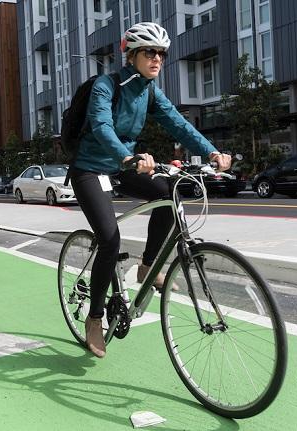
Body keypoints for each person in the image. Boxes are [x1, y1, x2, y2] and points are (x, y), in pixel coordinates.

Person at [68, 22, 231, 358]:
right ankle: (95, 319)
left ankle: (147, 265)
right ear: (132, 55)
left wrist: (212, 151)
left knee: (169, 191)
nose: (157, 59)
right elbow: (101, 126)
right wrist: (128, 156)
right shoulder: (106, 85)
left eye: (161, 53)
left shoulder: (150, 91)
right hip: (91, 168)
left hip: (121, 165)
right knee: (110, 240)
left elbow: (179, 124)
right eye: (150, 52)